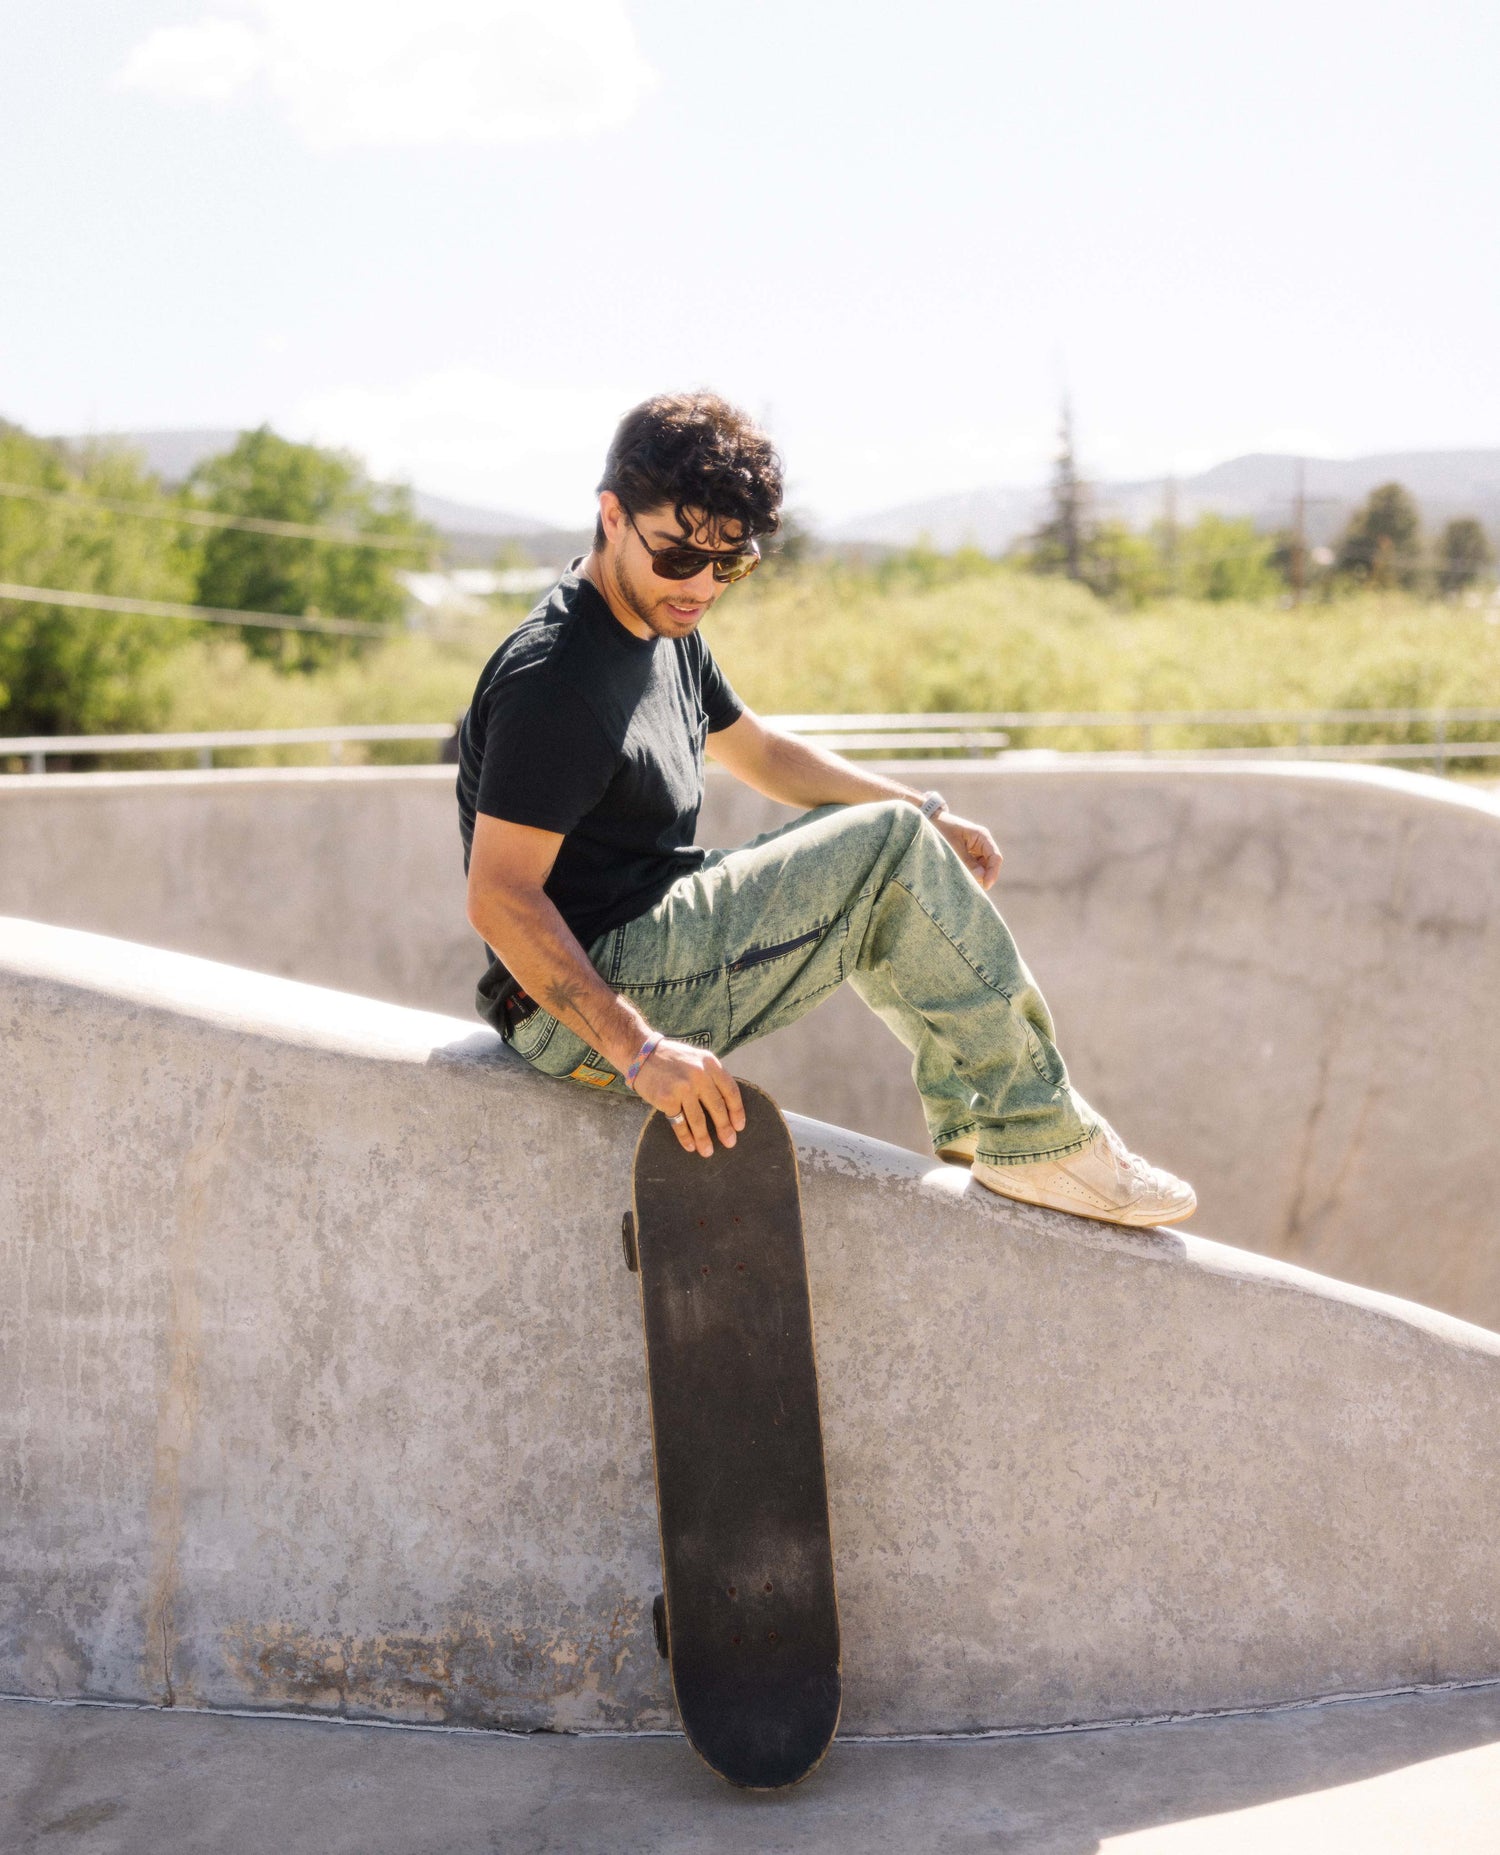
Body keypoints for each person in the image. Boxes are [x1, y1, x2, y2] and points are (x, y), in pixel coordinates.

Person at [457, 393, 1194, 1228]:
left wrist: (924, 811)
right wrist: (643, 1052)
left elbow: (764, 753)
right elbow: (500, 897)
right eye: (679, 557)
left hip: (644, 942)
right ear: (612, 516)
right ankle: (1040, 1135)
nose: (701, 585)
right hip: (577, 1010)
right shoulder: (555, 679)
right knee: (884, 852)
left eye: (730, 564)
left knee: (894, 840)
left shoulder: (666, 624)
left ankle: (982, 1127)